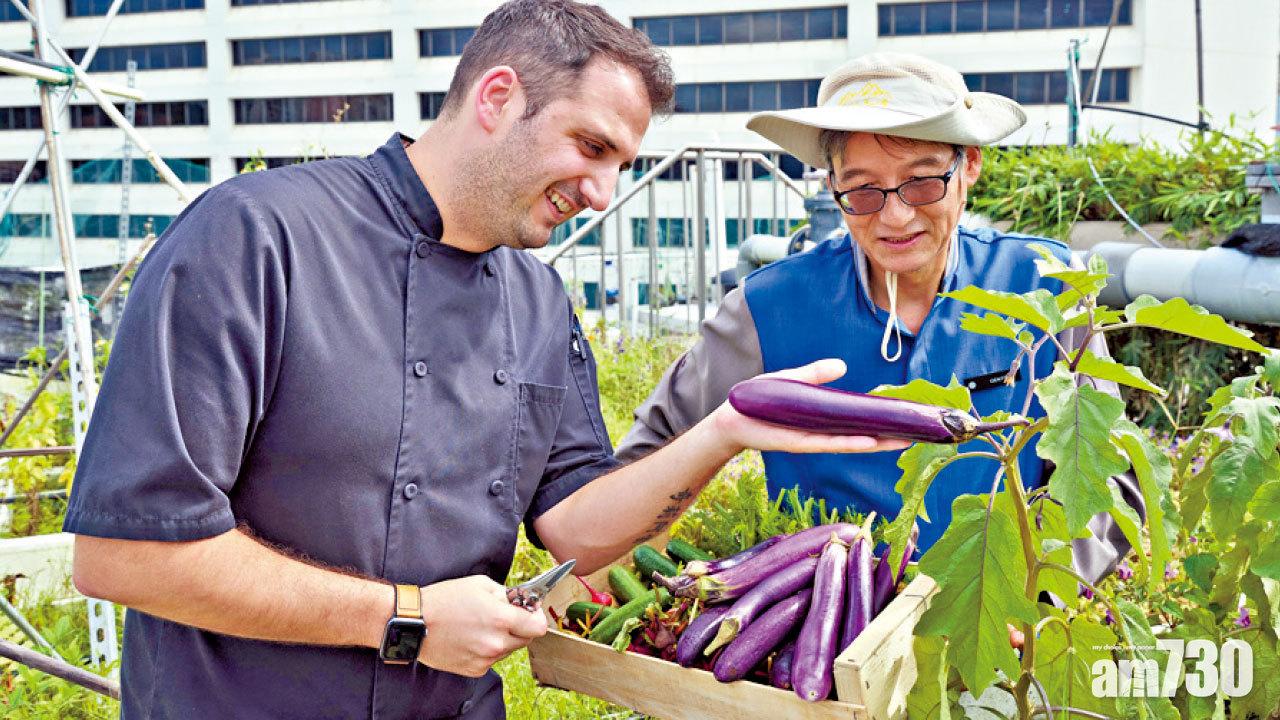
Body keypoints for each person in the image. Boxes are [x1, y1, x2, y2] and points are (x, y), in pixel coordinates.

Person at [62, 3, 904, 718]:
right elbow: (126, 553)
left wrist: (723, 433)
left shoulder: (537, 301)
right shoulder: (255, 239)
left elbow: (575, 524)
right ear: (499, 97)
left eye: (622, 164)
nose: (604, 192)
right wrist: (409, 619)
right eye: (592, 146)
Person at [616, 52, 1140, 581]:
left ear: (971, 164)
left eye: (921, 182)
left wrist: (1041, 590)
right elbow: (646, 458)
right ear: (831, 185)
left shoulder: (1044, 283)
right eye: (863, 190)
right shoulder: (767, 306)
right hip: (829, 628)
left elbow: (1112, 478)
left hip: (1000, 623)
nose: (895, 216)